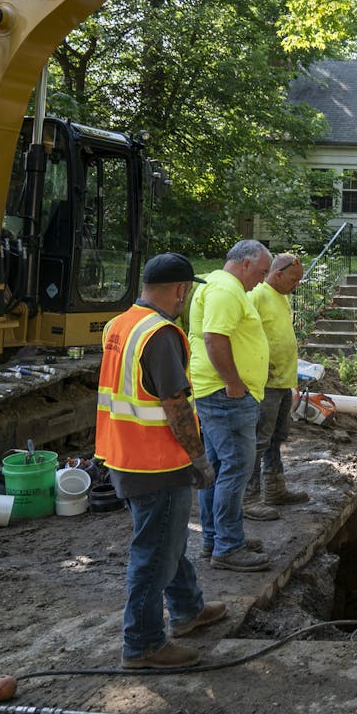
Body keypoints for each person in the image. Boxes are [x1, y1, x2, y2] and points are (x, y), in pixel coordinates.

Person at [95, 252, 224, 669]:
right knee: (153, 554)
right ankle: (144, 644)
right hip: (158, 464)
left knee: (168, 541)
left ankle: (187, 609)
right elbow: (175, 405)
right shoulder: (161, 334)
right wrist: (199, 458)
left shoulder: (120, 324)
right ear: (181, 290)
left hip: (123, 456)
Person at [188, 239, 272, 571]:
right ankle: (228, 546)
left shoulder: (222, 285)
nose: (262, 280)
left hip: (219, 394)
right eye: (262, 272)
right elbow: (215, 338)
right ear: (246, 264)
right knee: (236, 468)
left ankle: (218, 538)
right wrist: (234, 382)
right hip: (227, 397)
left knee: (218, 470)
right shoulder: (225, 289)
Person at [246, 253, 310, 510]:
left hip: (283, 381)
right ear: (278, 274)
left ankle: (274, 488)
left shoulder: (282, 298)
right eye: (293, 279)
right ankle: (250, 497)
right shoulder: (257, 296)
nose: (296, 285)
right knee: (260, 438)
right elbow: (246, 335)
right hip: (266, 383)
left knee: (277, 436)